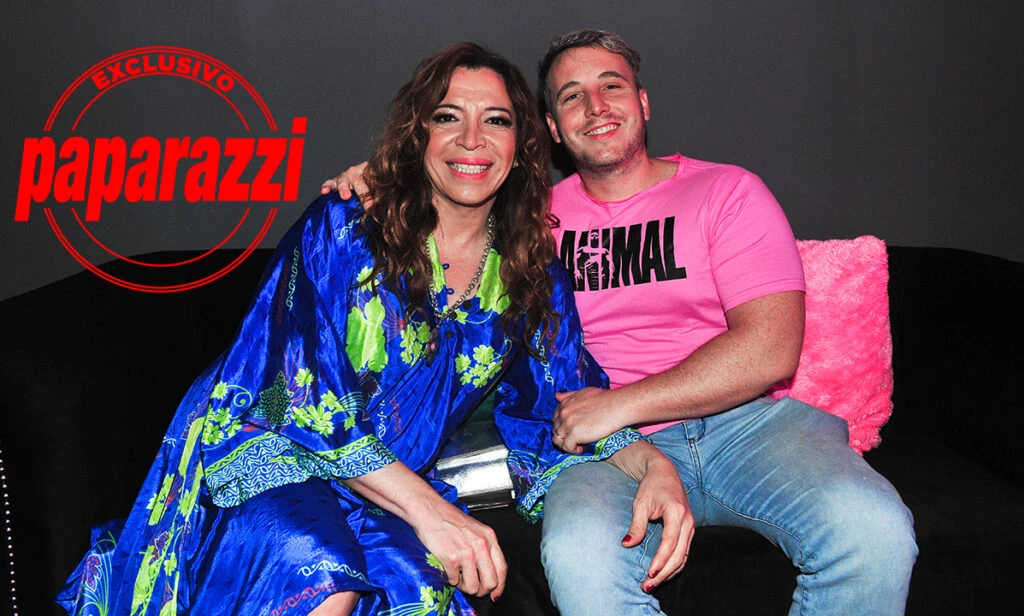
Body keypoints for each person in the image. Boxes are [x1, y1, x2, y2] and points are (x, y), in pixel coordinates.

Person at [56, 42, 691, 616]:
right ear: (419, 134)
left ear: (523, 143)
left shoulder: (530, 268)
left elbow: (564, 397)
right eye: (448, 116)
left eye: (496, 120)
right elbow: (296, 399)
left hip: (381, 489)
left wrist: (652, 463)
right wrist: (432, 511)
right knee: (321, 574)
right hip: (268, 453)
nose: (472, 139)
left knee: (420, 596)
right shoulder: (346, 227)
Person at [324, 29, 918, 616]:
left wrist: (621, 404)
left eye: (612, 86)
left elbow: (771, 348)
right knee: (580, 558)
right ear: (553, 129)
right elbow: (446, 196)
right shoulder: (530, 220)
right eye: (571, 96)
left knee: (874, 531)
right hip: (603, 451)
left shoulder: (727, 191)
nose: (596, 106)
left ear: (643, 102)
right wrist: (379, 178)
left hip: (746, 428)